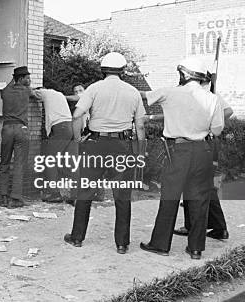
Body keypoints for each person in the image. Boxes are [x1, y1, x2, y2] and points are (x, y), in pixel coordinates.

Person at [140, 57, 224, 260]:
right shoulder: (213, 98)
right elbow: (217, 130)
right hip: (202, 150)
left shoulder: (170, 92)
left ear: (184, 74)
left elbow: (143, 96)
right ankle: (196, 248)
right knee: (199, 199)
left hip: (177, 151)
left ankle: (160, 244)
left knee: (170, 196)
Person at [64, 52, 146, 254]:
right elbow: (140, 126)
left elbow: (77, 115)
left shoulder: (94, 89)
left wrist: (77, 141)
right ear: (123, 71)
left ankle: (77, 237)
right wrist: (140, 150)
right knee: (122, 195)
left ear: (103, 70)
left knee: (85, 192)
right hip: (122, 146)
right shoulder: (133, 92)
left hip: (95, 143)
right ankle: (122, 244)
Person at [174, 82, 234, 240]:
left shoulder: (197, 94)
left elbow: (228, 112)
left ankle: (191, 226)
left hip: (198, 143)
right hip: (208, 143)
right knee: (206, 186)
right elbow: (228, 111)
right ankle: (219, 227)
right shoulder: (210, 95)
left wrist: (208, 123)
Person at [0, 66, 40, 208]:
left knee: (4, 163)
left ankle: (3, 196)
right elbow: (36, 94)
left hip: (6, 129)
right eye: (27, 78)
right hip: (20, 129)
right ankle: (15, 198)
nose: (29, 80)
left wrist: (15, 77)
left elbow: (11, 85)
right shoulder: (27, 91)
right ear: (21, 79)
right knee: (19, 164)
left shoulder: (5, 91)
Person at [33, 83, 74, 203]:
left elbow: (31, 93)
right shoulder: (59, 94)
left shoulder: (45, 92)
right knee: (62, 162)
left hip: (60, 127)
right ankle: (73, 192)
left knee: (50, 160)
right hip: (68, 127)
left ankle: (53, 193)